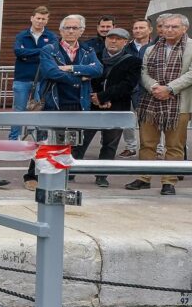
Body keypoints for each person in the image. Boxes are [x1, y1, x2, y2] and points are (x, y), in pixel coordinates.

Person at [21, 14, 103, 190]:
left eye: (75, 28)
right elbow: (51, 72)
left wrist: (72, 68)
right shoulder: (49, 49)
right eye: (67, 28)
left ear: (81, 31)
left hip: (79, 104)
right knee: (45, 142)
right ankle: (31, 175)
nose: (71, 31)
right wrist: (80, 77)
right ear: (60, 30)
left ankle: (58, 178)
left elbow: (97, 69)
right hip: (53, 103)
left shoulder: (88, 51)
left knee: (70, 144)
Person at [125, 13, 192, 195]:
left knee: (174, 146)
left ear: (184, 28)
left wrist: (169, 89)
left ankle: (169, 181)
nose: (169, 30)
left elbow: (191, 74)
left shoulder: (191, 47)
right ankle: (143, 178)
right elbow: (144, 72)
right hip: (150, 102)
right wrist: (154, 86)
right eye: (166, 26)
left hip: (179, 104)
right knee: (147, 144)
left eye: (174, 27)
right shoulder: (151, 49)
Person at [73, 28, 141, 187]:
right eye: (110, 38)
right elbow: (87, 79)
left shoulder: (133, 61)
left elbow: (128, 85)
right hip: (92, 106)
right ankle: (71, 171)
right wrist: (95, 97)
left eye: (118, 39)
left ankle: (101, 175)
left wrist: (104, 97)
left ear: (125, 42)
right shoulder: (94, 57)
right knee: (81, 141)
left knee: (110, 144)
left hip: (117, 107)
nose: (113, 41)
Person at [10, 6, 57, 141]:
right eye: (38, 18)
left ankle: (40, 140)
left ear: (47, 21)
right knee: (19, 110)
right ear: (32, 18)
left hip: (42, 79)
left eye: (43, 19)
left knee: (39, 111)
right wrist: (42, 51)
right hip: (22, 78)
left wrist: (28, 54)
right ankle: (13, 140)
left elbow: (52, 53)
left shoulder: (52, 36)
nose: (40, 21)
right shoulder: (21, 36)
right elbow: (18, 52)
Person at [119, 18, 155, 158]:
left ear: (150, 30)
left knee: (151, 121)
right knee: (127, 120)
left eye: (142, 28)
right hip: (128, 89)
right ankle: (130, 147)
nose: (138, 30)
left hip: (148, 89)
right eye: (135, 28)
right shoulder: (126, 48)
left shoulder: (156, 47)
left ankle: (156, 148)